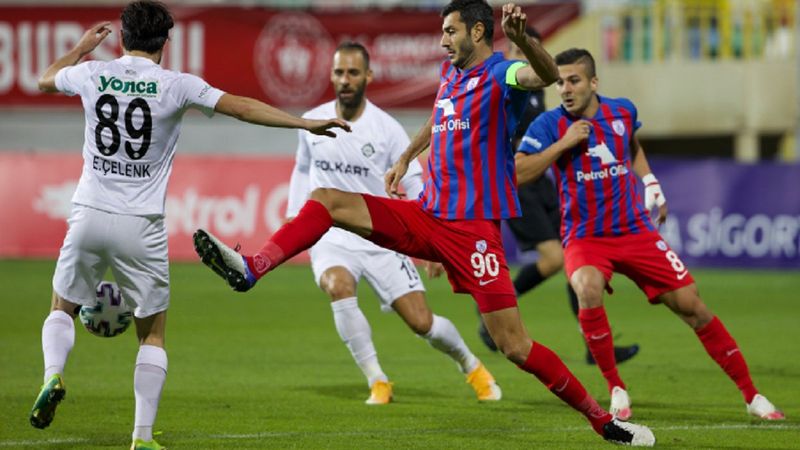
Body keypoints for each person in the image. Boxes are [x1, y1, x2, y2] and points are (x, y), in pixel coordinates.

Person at [194, 1, 655, 446]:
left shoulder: (502, 73)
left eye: (450, 31)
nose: (442, 41)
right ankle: (252, 268)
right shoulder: (451, 74)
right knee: (327, 200)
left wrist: (525, 41)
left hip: (473, 234)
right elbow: (440, 117)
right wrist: (405, 157)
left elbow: (545, 75)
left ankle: (602, 422)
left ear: (478, 31)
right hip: (428, 215)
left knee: (515, 346)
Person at [30, 2, 349, 450]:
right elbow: (241, 107)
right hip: (141, 224)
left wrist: (82, 49)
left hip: (88, 212)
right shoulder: (176, 85)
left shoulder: (91, 74)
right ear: (165, 41)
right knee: (152, 333)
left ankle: (53, 375)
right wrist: (304, 123)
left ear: (122, 37)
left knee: (62, 308)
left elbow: (45, 80)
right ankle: (141, 437)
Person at [514, 47, 785, 422]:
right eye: (559, 82)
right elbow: (519, 172)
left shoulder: (622, 111)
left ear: (594, 82)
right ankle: (616, 387)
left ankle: (752, 395)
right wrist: (563, 144)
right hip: (585, 236)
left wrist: (651, 183)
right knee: (586, 288)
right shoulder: (548, 124)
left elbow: (631, 145)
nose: (565, 89)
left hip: (635, 230)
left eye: (574, 80)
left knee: (692, 305)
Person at [287, 41, 501, 405]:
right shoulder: (312, 122)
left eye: (353, 72)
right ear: (331, 76)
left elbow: (414, 180)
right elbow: (303, 167)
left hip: (380, 236)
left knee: (421, 322)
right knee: (338, 286)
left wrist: (433, 239)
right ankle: (378, 380)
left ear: (368, 76)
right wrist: (295, 215)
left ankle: (471, 365)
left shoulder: (386, 128)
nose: (345, 80)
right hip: (332, 236)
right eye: (339, 72)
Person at [476, 28, 641, 367]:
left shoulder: (539, 86)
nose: (524, 56)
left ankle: (594, 346)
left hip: (544, 183)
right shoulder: (502, 85)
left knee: (574, 262)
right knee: (554, 258)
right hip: (518, 182)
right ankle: (492, 308)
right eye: (518, 49)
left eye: (531, 49)